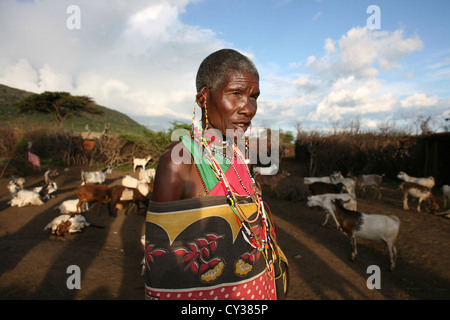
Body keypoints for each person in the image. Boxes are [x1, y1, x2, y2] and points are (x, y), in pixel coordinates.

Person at [144, 49, 288, 300]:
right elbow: (162, 264)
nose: (249, 108)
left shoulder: (239, 155)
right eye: (236, 94)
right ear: (203, 97)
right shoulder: (178, 162)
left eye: (253, 97)